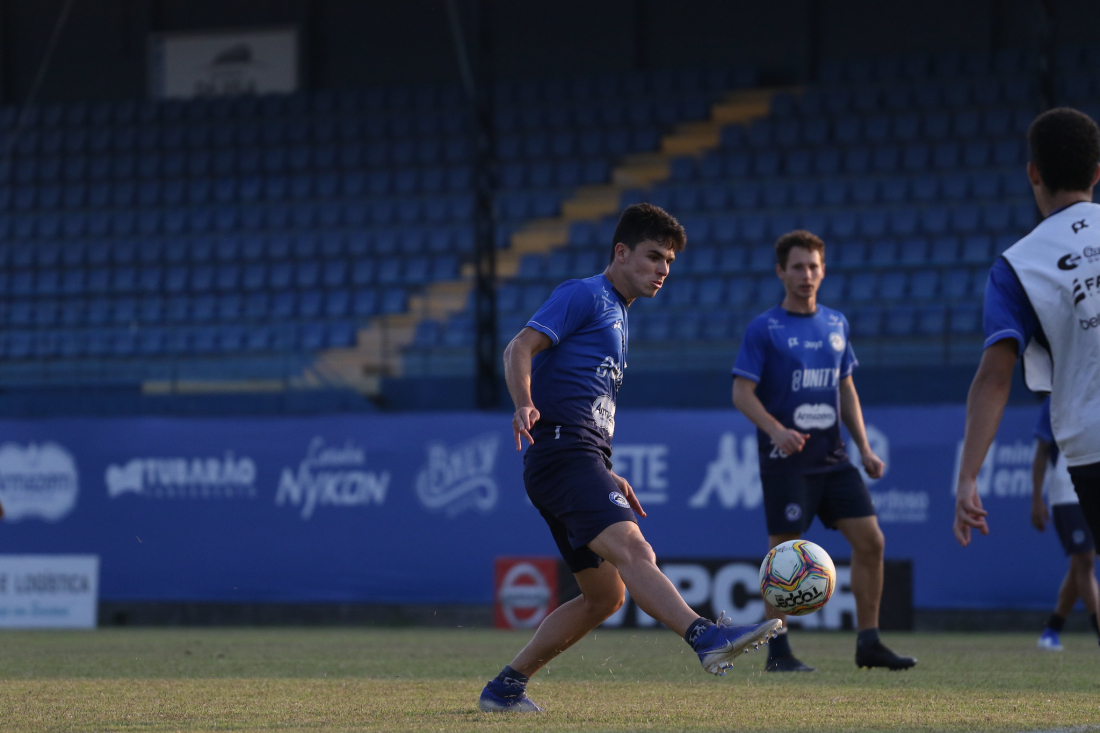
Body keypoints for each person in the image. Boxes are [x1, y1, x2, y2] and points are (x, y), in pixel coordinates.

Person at [479, 203, 782, 713]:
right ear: (620, 253)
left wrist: (606, 471)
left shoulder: (617, 314)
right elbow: (518, 348)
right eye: (653, 257)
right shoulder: (585, 294)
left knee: (605, 597)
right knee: (637, 552)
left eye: (668, 262)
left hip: (579, 458)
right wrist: (524, 403)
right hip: (561, 452)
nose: (663, 270)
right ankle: (705, 637)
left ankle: (505, 688)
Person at [731, 229, 916, 672]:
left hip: (834, 460)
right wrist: (776, 430)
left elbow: (845, 388)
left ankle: (868, 642)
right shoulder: (765, 328)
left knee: (871, 542)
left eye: (813, 266)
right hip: (786, 463)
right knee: (782, 557)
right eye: (797, 266)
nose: (806, 274)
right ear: (781, 272)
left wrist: (865, 449)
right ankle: (779, 652)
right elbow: (741, 392)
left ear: (823, 270)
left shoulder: (835, 323)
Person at [955, 108, 1100, 567]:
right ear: (1097, 172)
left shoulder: (1017, 265)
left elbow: (995, 378)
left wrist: (967, 477)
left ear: (1033, 174)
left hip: (1091, 441)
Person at [1030, 396, 1100, 650]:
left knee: (1080, 564)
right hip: (1067, 490)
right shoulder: (1056, 399)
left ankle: (1052, 630)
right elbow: (1041, 451)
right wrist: (1037, 498)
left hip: (1094, 484)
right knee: (1085, 560)